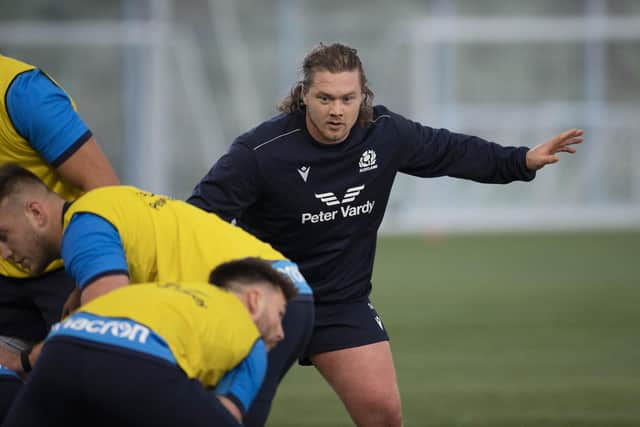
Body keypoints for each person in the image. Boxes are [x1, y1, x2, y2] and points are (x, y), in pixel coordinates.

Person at [187, 42, 584, 426]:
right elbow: (197, 217)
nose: (337, 111)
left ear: (364, 96)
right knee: (232, 415)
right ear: (303, 95)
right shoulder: (260, 152)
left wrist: (520, 160)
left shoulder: (384, 133)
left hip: (341, 302)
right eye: (325, 98)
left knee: (383, 414)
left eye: (348, 98)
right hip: (267, 300)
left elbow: (451, 151)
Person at [0, 164, 313, 425]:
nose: (4, 252)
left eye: (4, 235)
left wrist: (21, 362)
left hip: (261, 304)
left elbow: (105, 319)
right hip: (283, 289)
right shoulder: (106, 204)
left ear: (36, 213)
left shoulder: (84, 229)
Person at [2, 257, 298, 427]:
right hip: (140, 359)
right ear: (255, 301)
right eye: (280, 313)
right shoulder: (250, 337)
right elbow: (227, 415)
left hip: (62, 345)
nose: (281, 333)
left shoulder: (162, 292)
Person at [0, 54, 119, 416]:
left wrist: (88, 280)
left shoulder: (22, 93)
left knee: (93, 394)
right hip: (6, 269)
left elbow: (105, 190)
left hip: (65, 265)